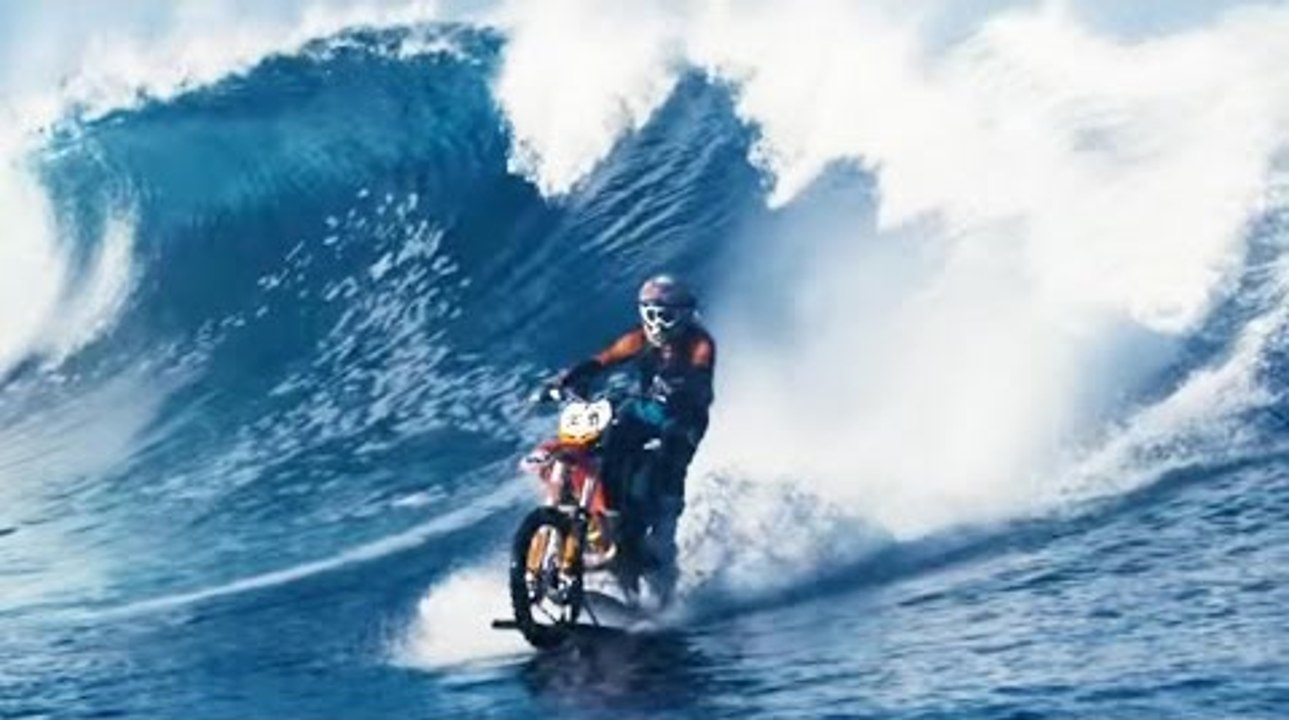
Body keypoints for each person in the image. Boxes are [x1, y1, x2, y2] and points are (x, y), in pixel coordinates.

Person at [547, 274, 716, 604]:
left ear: (683, 315)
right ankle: (601, 531)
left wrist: (680, 383)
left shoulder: (699, 343)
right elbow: (603, 359)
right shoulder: (640, 340)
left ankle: (662, 597)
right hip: (643, 412)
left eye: (665, 315)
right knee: (603, 450)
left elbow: (697, 372)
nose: (657, 323)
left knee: (660, 498)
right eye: (650, 313)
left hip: (681, 423)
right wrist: (569, 378)